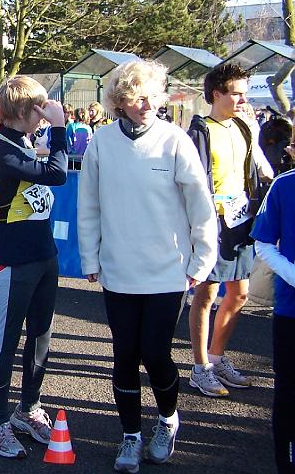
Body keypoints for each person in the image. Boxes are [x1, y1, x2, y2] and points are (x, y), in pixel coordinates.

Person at [78, 60, 217, 472]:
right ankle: (130, 435)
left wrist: (202, 257)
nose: (146, 104)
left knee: (155, 353)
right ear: (119, 101)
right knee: (124, 355)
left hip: (167, 270)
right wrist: (91, 256)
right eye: (136, 97)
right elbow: (89, 205)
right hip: (119, 269)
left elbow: (200, 204)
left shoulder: (175, 140)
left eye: (152, 96)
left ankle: (168, 420)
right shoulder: (101, 143)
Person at [0, 76, 68, 458]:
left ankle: (27, 407)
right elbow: (57, 174)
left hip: (43, 251)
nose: (45, 113)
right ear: (23, 110)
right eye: (40, 107)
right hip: (15, 255)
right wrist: (61, 128)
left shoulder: (23, 141)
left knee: (42, 333)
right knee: (8, 335)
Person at [188, 63, 260, 398]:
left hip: (240, 221)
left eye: (244, 93)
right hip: (212, 222)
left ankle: (216, 359)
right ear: (217, 94)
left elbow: (255, 169)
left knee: (240, 293)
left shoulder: (244, 128)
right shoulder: (201, 130)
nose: (243, 99)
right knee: (206, 295)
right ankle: (200, 367)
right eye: (237, 93)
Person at [251, 140, 295, 473]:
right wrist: (293, 274)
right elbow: (263, 243)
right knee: (289, 392)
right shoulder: (283, 185)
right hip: (290, 312)